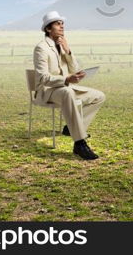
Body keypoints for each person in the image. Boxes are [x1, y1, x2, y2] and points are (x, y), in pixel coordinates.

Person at [33, 11, 106, 160]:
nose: (62, 26)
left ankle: (70, 128)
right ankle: (79, 143)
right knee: (67, 93)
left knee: (99, 96)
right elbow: (42, 78)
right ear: (48, 29)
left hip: (67, 88)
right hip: (48, 91)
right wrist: (66, 79)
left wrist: (68, 51)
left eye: (62, 23)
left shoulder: (63, 45)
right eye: (57, 24)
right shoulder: (41, 48)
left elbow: (75, 70)